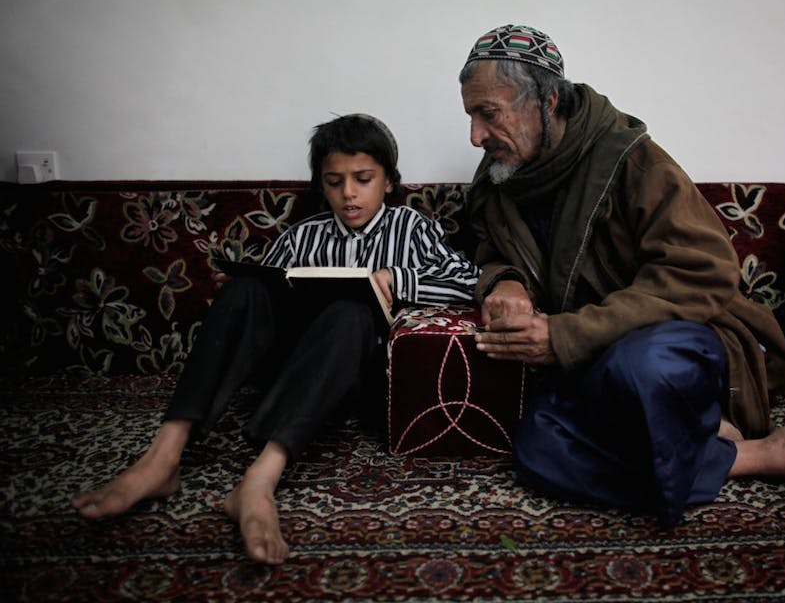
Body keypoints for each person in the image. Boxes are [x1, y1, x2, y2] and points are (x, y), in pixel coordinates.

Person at [459, 24, 785, 526]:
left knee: (640, 367)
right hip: (589, 365)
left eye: (489, 114)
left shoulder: (633, 161)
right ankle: (763, 453)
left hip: (684, 342)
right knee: (538, 451)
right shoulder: (499, 180)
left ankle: (703, 420)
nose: (475, 136)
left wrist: (565, 333)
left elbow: (703, 273)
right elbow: (482, 250)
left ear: (548, 101)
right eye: (470, 116)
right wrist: (505, 280)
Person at [71, 114, 480, 564]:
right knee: (245, 287)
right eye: (334, 181)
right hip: (289, 366)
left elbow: (469, 281)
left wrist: (397, 279)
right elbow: (266, 298)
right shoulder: (303, 236)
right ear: (320, 186)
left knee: (350, 311)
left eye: (363, 179)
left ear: (387, 182)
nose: (348, 193)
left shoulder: (412, 228)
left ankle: (259, 480)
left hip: (352, 375)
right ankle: (163, 457)